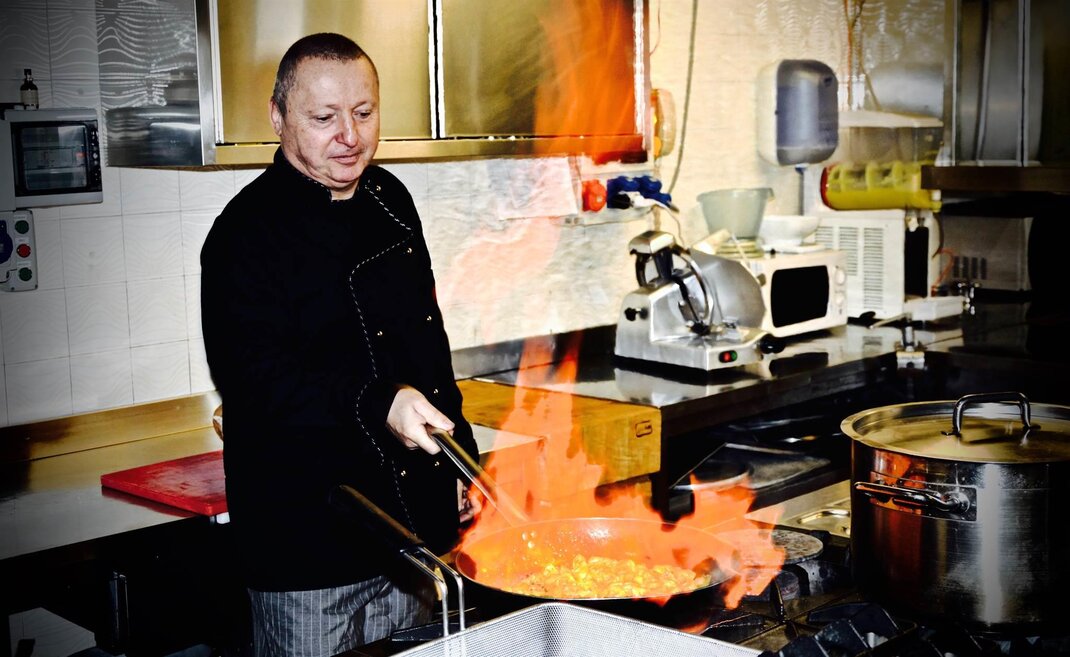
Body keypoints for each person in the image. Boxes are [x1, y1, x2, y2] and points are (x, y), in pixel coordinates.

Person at [200, 32, 479, 657]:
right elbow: (257, 381)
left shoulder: (391, 200)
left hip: (408, 536)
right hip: (308, 546)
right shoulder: (244, 235)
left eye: (364, 112)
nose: (349, 136)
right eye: (324, 118)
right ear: (278, 118)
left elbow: (426, 343)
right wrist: (380, 401)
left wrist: (459, 455)